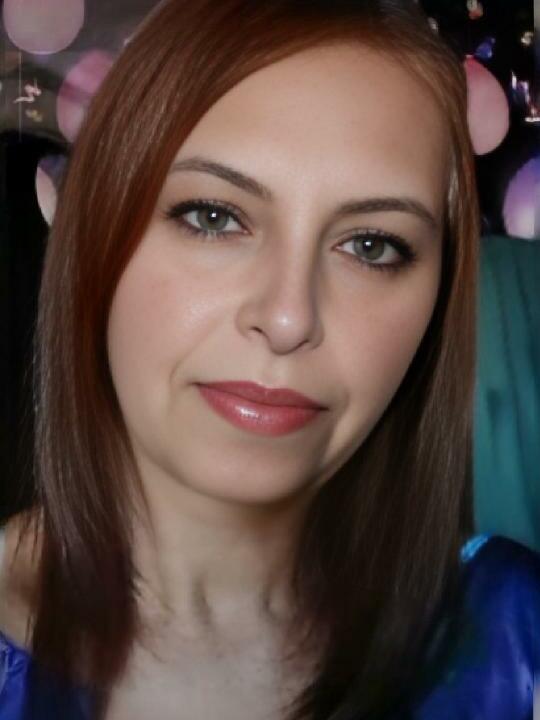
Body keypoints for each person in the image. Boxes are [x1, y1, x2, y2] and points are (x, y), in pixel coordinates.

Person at [0, 0, 539, 718]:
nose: (289, 319)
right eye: (213, 217)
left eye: (372, 245)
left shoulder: (514, 638)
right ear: (93, 239)